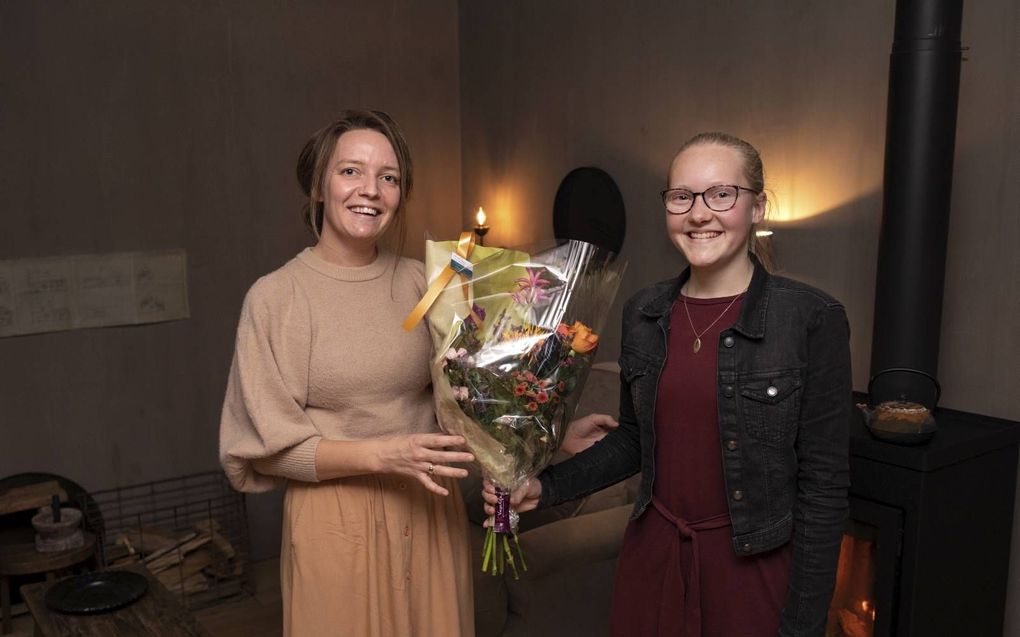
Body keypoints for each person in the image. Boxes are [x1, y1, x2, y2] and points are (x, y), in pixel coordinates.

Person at [219, 109, 618, 637]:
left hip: (429, 515)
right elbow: (268, 447)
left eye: (389, 177)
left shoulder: (429, 284)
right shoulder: (276, 299)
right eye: (350, 171)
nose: (371, 190)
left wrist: (550, 437)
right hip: (336, 525)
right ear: (319, 185)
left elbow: (472, 403)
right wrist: (383, 454)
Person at [486, 132, 852, 636]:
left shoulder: (811, 318)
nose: (699, 213)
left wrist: (805, 621)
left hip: (752, 572)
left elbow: (825, 487)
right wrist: (543, 486)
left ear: (758, 207)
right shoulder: (645, 311)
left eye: (721, 194)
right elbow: (635, 439)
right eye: (682, 197)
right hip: (653, 559)